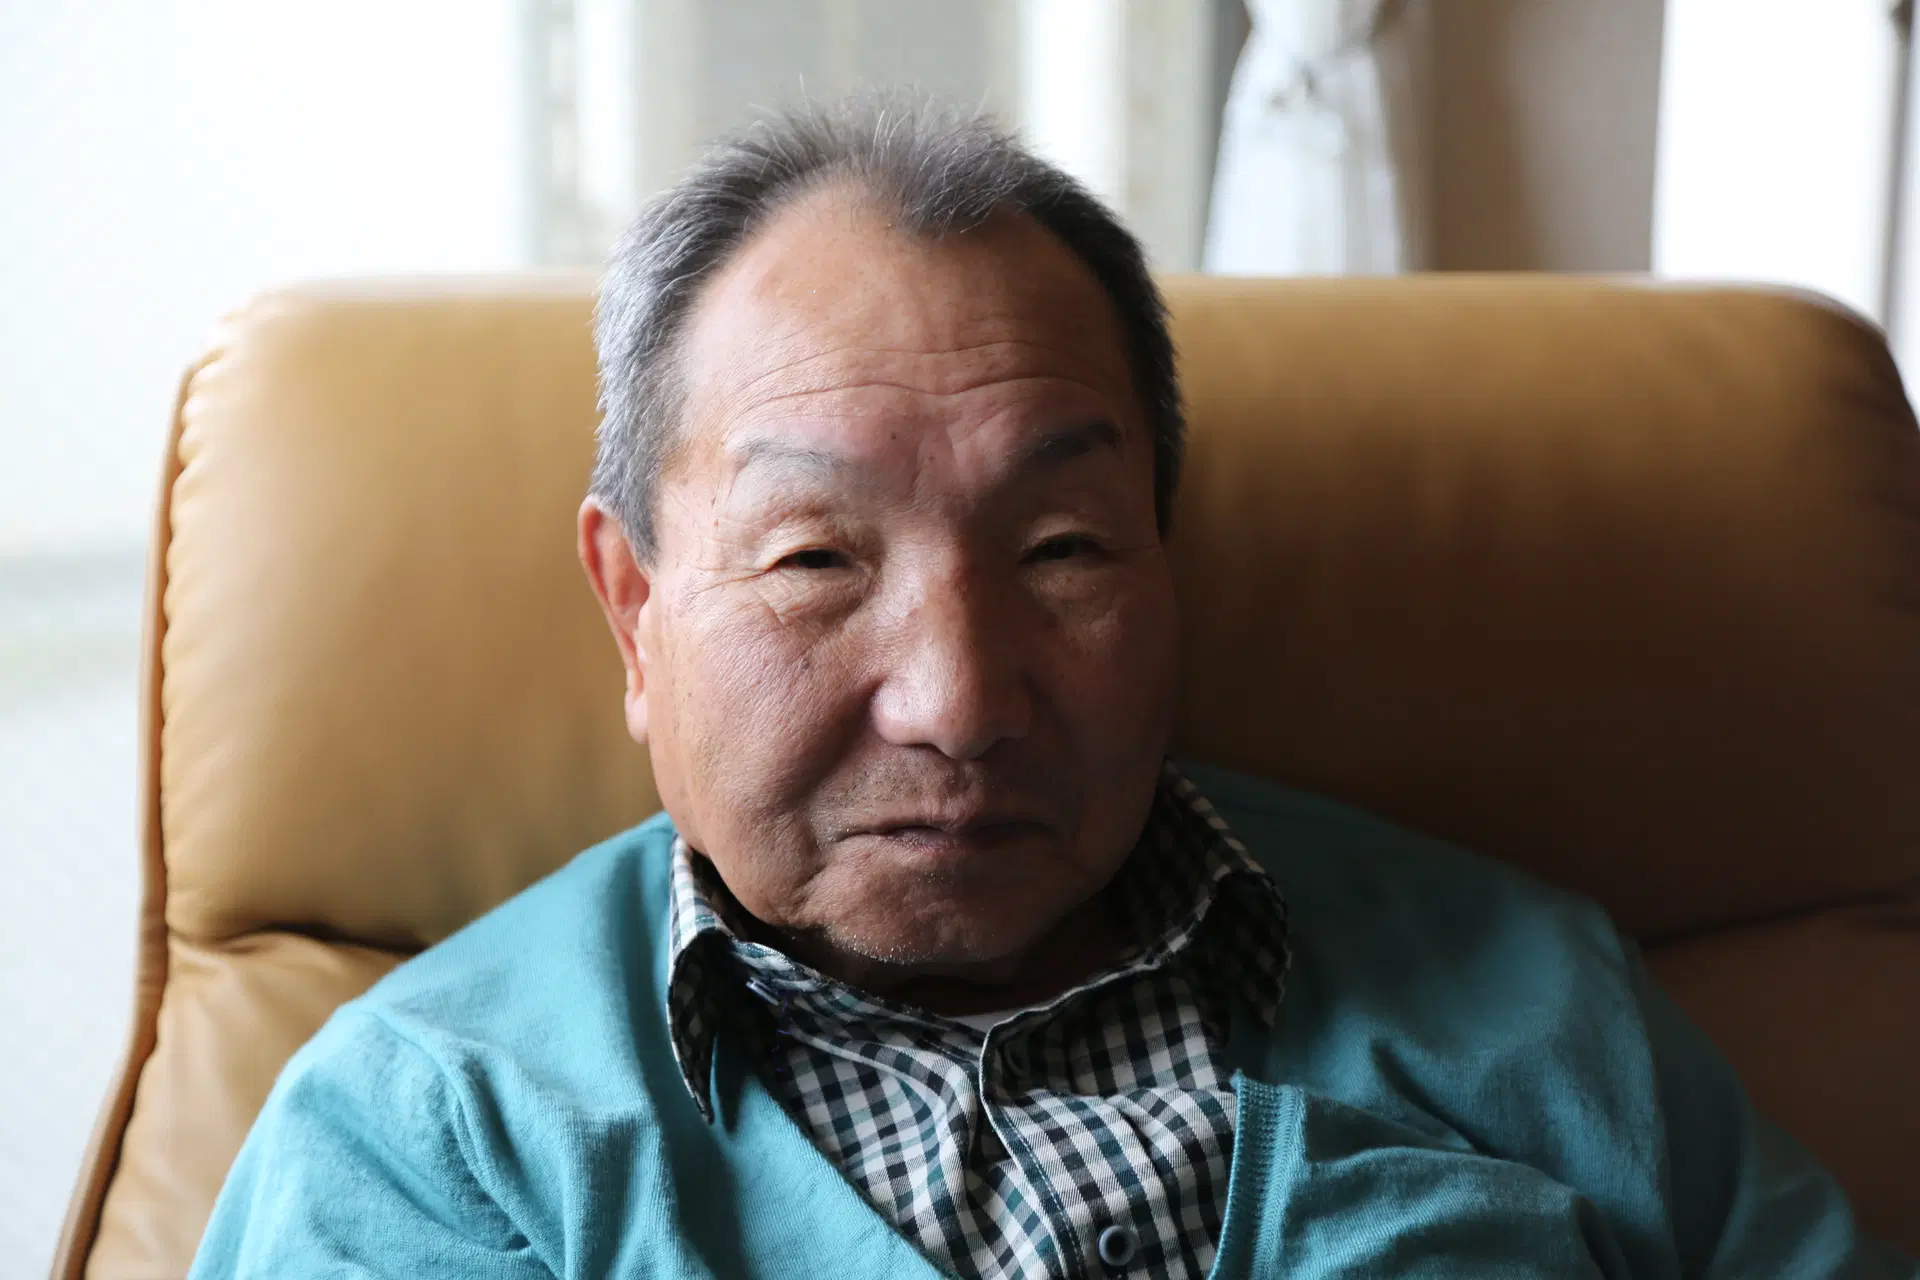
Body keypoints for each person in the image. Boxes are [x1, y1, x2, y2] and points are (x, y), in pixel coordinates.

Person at [189, 98, 1912, 1280]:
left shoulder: (1529, 993)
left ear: (1169, 567)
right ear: (635, 611)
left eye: (1066, 548)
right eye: (816, 559)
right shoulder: (434, 1139)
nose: (958, 703)